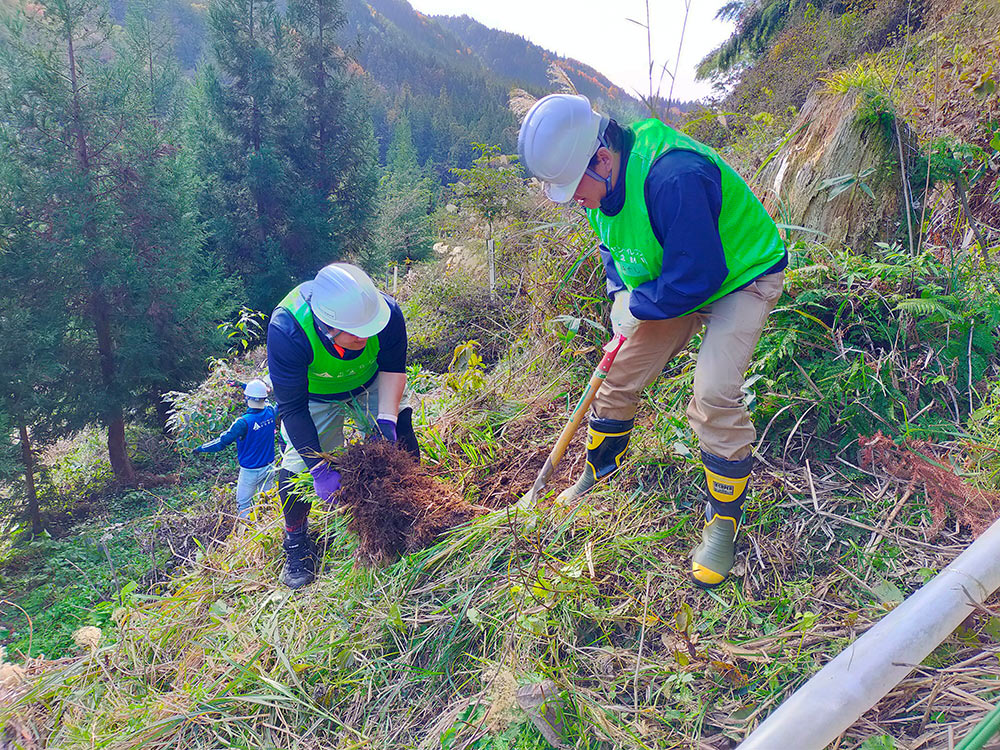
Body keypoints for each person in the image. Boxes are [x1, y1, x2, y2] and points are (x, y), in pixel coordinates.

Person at [518, 94, 787, 589]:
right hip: (673, 276)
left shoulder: (673, 176)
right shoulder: (599, 183)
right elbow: (611, 244)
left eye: (574, 188)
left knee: (712, 394)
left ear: (601, 158)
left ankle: (723, 523)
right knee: (616, 376)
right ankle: (598, 471)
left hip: (740, 275)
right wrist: (621, 291)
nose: (575, 200)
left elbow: (701, 276)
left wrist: (639, 306)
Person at [267, 262, 419, 589]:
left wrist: (387, 421)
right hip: (314, 395)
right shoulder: (288, 330)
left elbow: (393, 367)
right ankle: (296, 540)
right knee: (297, 468)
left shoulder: (386, 314)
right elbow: (292, 407)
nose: (368, 335)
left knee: (402, 437)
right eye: (358, 332)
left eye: (370, 327)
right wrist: (319, 469)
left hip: (370, 382)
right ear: (327, 327)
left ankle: (412, 509)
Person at [193, 379, 278, 518]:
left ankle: (245, 532)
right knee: (267, 500)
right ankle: (267, 524)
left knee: (243, 505)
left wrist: (200, 448)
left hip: (250, 472)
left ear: (246, 398)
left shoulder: (242, 422)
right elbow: (262, 398)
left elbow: (221, 442)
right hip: (270, 466)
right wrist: (242, 385)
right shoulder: (270, 411)